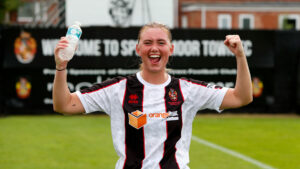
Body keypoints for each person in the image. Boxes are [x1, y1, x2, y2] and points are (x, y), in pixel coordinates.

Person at [53, 22, 253, 169]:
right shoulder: (117, 89)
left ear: (171, 49)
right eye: (147, 43)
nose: (154, 48)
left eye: (161, 42)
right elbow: (64, 105)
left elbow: (241, 97)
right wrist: (61, 67)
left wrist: (240, 56)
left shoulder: (187, 89)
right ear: (138, 49)